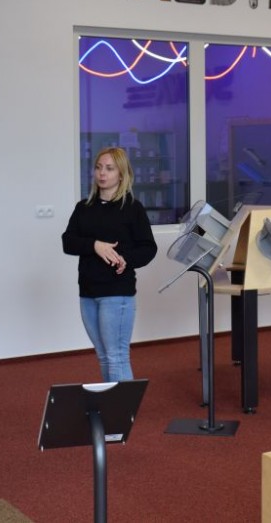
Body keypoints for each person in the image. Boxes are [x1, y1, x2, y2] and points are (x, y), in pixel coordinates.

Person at [62, 146, 157, 382]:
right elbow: (68, 242)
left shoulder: (132, 208)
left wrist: (127, 259)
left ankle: (122, 406)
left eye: (109, 168)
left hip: (117, 292)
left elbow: (148, 248)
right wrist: (95, 245)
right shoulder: (83, 208)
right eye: (98, 168)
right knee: (104, 356)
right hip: (88, 292)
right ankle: (112, 402)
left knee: (116, 357)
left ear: (121, 175)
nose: (102, 173)